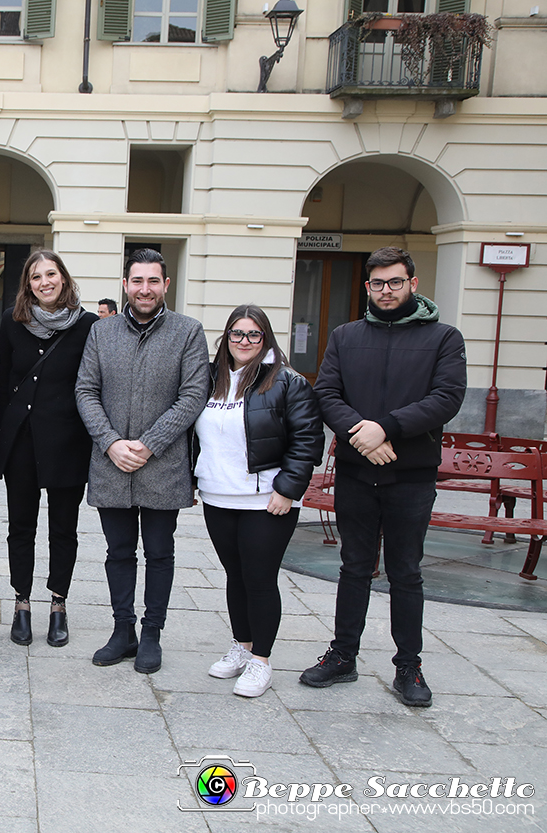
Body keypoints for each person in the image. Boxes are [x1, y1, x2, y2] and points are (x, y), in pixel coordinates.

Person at [300, 247, 466, 708]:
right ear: (367, 287)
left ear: (413, 283)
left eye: (395, 282)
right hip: (357, 471)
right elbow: (327, 392)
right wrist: (363, 436)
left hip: (410, 476)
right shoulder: (346, 336)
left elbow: (447, 397)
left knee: (405, 571)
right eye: (377, 283)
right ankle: (343, 656)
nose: (386, 290)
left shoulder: (444, 337)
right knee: (353, 566)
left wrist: (385, 427)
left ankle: (408, 666)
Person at [75, 248, 208, 673]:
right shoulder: (102, 332)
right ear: (125, 285)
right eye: (137, 281)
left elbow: (192, 396)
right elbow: (85, 391)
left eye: (153, 281)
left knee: (159, 551)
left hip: (162, 465)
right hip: (111, 464)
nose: (145, 289)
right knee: (118, 551)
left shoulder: (188, 332)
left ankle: (152, 633)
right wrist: (112, 443)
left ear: (165, 285)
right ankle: (123, 630)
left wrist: (149, 444)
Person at [194, 305, 323, 697]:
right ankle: (242, 646)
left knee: (260, 578)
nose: (244, 341)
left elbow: (307, 440)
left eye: (253, 334)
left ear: (265, 338)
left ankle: (261, 661)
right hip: (217, 495)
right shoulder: (211, 379)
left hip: (266, 500)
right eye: (237, 334)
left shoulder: (286, 382)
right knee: (235, 575)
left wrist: (288, 490)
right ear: (226, 338)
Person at [0, 251, 98, 648]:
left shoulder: (88, 326)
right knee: (21, 527)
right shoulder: (11, 320)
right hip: (20, 441)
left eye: (51, 274)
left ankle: (58, 604)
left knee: (63, 530)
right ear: (28, 284)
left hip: (68, 443)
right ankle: (21, 603)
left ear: (64, 278)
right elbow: (1, 385)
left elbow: (95, 385)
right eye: (36, 277)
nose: (44, 282)